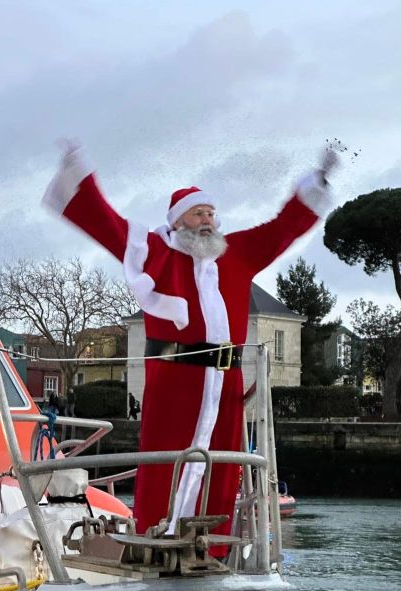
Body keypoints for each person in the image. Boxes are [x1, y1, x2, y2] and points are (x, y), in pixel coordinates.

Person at [43, 141, 337, 539]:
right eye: (198, 213)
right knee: (165, 460)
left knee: (222, 465)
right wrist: (79, 176)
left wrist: (317, 184)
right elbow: (109, 225)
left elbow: (280, 230)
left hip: (226, 382)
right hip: (174, 381)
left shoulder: (237, 254)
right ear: (178, 221)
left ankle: (211, 545)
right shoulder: (154, 252)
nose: (208, 221)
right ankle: (154, 537)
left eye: (211, 214)